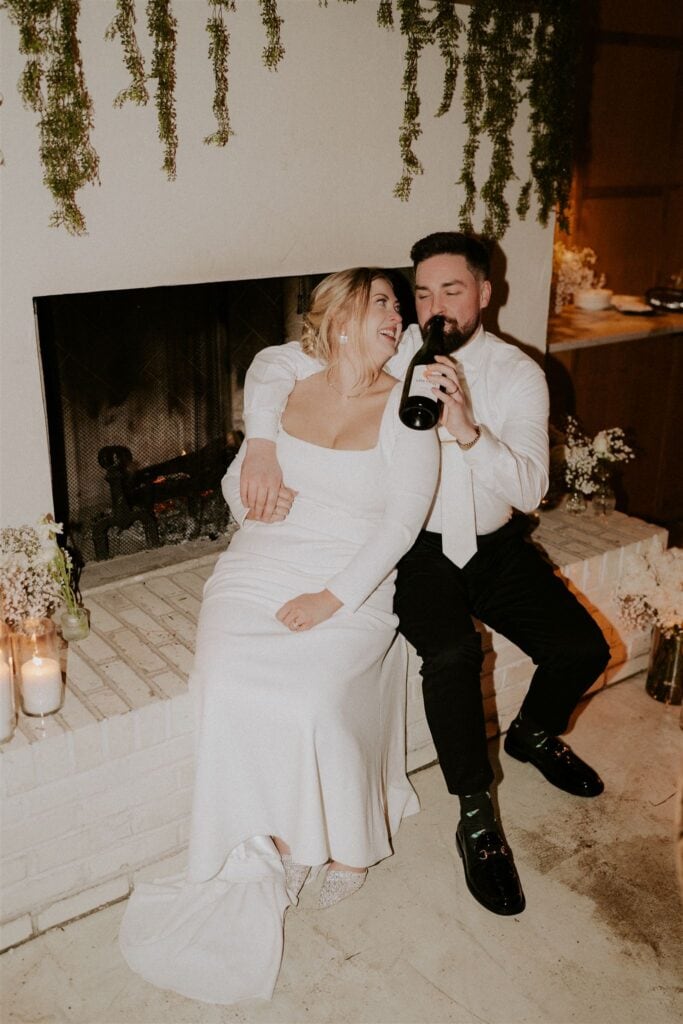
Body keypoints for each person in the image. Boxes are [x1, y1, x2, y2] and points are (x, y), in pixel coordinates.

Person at [238, 232, 611, 919]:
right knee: (449, 653)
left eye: (452, 290)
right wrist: (259, 441)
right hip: (418, 549)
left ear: (484, 294)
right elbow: (273, 363)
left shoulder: (517, 372)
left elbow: (529, 488)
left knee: (583, 649)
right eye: (424, 292)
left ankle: (530, 734)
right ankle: (476, 818)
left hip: (496, 545)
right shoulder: (395, 346)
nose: (435, 306)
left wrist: (469, 428)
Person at [119, 268, 439, 1004]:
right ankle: (274, 834)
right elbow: (237, 491)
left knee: (313, 697)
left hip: (350, 576)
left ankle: (343, 847)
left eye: (398, 303)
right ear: (336, 320)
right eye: (380, 303)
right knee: (225, 680)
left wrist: (332, 599)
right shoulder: (286, 381)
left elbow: (401, 522)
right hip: (260, 564)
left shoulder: (408, 403)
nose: (397, 315)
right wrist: (255, 477)